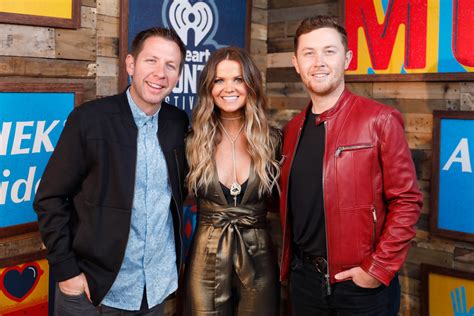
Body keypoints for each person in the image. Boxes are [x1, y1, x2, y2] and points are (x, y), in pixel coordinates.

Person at [33, 27, 189, 315]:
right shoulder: (89, 120)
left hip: (155, 290)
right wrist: (67, 273)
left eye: (171, 65)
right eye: (151, 61)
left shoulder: (179, 124)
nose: (160, 73)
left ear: (178, 75)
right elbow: (49, 198)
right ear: (131, 64)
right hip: (94, 293)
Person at [278, 15, 423, 315]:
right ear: (296, 62)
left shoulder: (379, 120)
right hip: (304, 281)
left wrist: (376, 269)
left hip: (360, 288)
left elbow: (407, 201)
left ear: (347, 58)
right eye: (309, 53)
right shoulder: (291, 131)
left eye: (329, 51)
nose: (318, 62)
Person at [184, 46, 280, 315]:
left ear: (251, 85)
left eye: (238, 79)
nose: (229, 88)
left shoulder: (273, 141)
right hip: (205, 259)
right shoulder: (192, 142)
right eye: (219, 80)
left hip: (259, 258)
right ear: (208, 88)